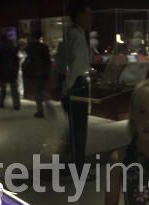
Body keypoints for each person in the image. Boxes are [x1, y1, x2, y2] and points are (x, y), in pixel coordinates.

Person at [62, 0, 92, 175]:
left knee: (75, 130)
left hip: (72, 87)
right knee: (80, 131)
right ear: (79, 15)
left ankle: (74, 166)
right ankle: (78, 170)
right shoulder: (77, 36)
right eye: (88, 15)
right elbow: (75, 68)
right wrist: (69, 89)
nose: (91, 19)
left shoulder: (71, 33)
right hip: (77, 87)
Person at [22, 30, 52, 118]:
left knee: (37, 92)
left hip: (34, 72)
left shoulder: (30, 47)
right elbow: (48, 61)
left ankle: (40, 110)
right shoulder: (44, 47)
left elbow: (28, 58)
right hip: (43, 71)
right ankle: (48, 103)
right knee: (42, 89)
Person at [0, 32, 20, 110]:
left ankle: (1, 102)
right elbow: (16, 59)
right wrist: (16, 69)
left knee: (3, 89)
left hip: (2, 70)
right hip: (12, 70)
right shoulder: (12, 47)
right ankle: (16, 104)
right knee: (14, 89)